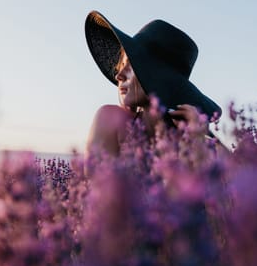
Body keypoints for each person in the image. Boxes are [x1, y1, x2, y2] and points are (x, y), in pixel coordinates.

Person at [84, 11, 222, 158]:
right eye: (122, 65)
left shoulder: (197, 139)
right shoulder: (112, 119)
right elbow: (99, 180)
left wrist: (198, 144)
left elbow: (238, 174)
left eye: (131, 66)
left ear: (157, 76)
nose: (119, 75)